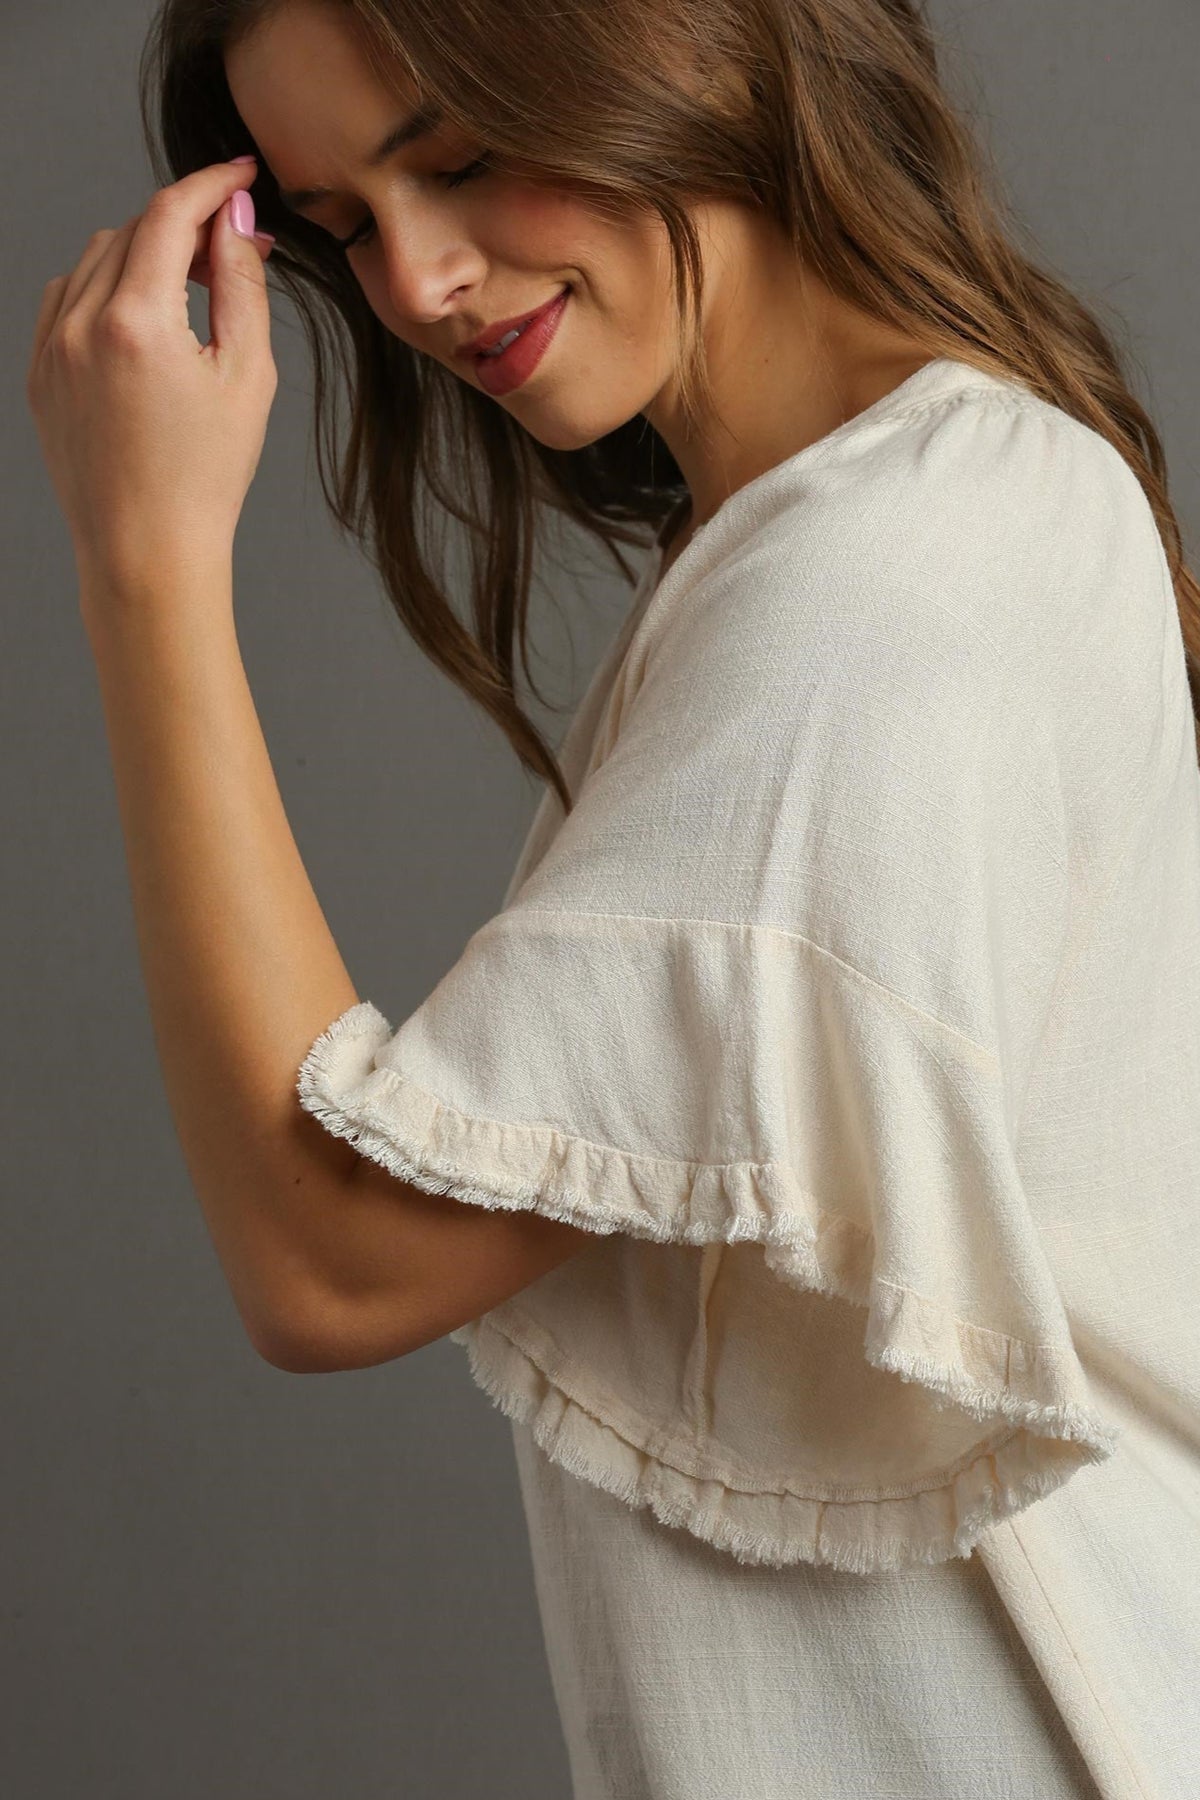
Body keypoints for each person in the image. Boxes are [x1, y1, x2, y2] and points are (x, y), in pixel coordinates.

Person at [34, 1, 1198, 1795]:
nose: (415, 282)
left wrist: (148, 560)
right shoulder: (830, 541)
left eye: (459, 153)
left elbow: (332, 1256)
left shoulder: (895, 580)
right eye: (343, 223)